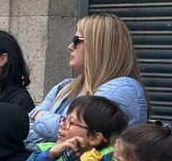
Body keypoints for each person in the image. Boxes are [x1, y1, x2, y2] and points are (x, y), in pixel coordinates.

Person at [27, 13, 148, 151]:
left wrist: (39, 116)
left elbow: (80, 135)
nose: (70, 46)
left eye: (76, 40)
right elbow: (26, 128)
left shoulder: (122, 89)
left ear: (98, 46)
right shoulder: (66, 86)